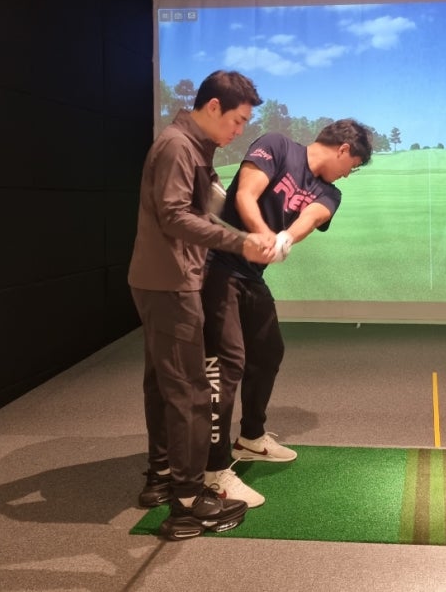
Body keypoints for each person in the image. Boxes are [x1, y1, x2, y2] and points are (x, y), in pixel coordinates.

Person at [128, 70, 276, 541]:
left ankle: (160, 477)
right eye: (237, 120)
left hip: (164, 279)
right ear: (213, 107)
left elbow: (204, 203)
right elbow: (174, 216)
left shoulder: (196, 146)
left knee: (164, 383)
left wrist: (248, 230)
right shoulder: (177, 146)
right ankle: (190, 503)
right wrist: (241, 242)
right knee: (190, 390)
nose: (240, 130)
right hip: (169, 282)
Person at [201, 119, 373, 495]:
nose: (349, 174)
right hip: (217, 267)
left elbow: (312, 216)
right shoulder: (277, 146)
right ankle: (212, 470)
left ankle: (250, 438)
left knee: (268, 352)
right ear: (344, 149)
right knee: (227, 365)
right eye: (353, 165)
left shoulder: (330, 192)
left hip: (250, 276)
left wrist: (284, 238)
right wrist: (263, 233)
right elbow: (245, 195)